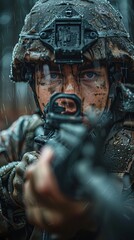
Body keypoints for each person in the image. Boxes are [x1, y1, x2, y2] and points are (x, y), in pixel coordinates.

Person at [0, 0, 134, 240]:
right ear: (33, 84)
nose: (70, 94)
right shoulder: (22, 136)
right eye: (52, 74)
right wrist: (13, 187)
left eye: (89, 74)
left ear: (113, 82)